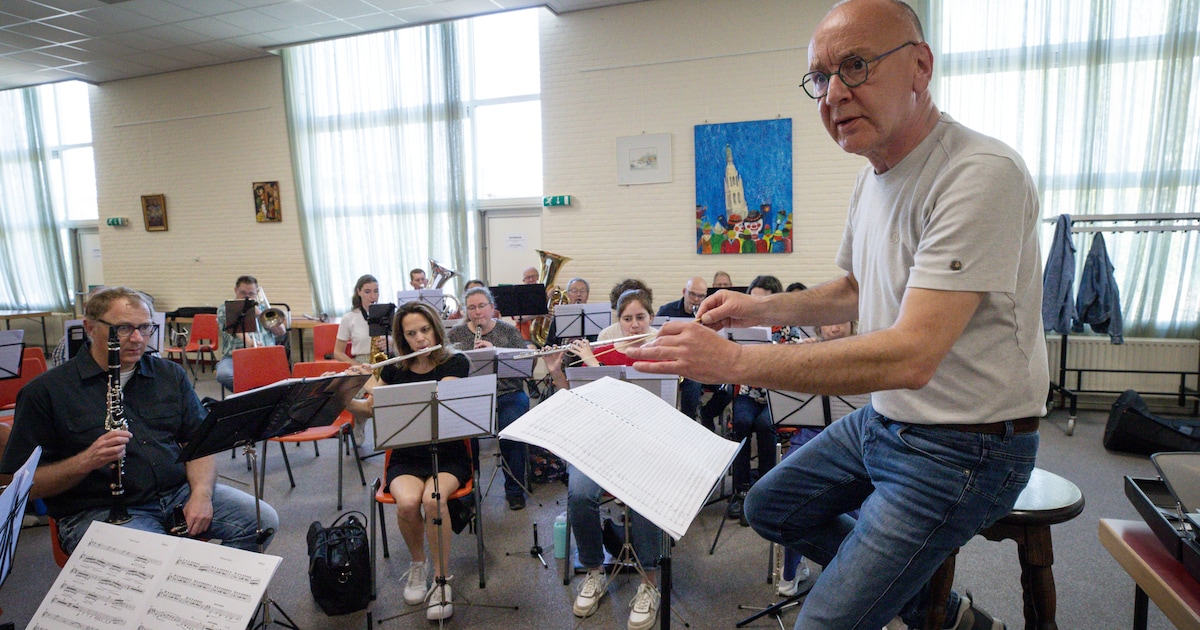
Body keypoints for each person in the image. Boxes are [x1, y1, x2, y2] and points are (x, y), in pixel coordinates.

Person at [626, 1, 1046, 628]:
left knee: (818, 623)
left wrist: (737, 359)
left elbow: (911, 355)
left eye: (855, 66)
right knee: (770, 510)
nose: (833, 94)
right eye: (821, 78)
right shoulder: (872, 175)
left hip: (968, 446)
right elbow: (855, 287)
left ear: (920, 67)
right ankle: (936, 608)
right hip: (887, 422)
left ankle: (895, 595)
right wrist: (761, 304)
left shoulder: (978, 173)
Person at [0, 287, 277, 554]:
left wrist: (202, 494)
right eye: (123, 328)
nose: (137, 339)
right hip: (97, 510)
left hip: (177, 493)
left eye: (145, 327)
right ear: (89, 327)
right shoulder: (46, 392)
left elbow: (198, 442)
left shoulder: (170, 375)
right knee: (155, 559)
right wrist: (86, 461)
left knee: (261, 520)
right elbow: (19, 482)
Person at [544, 288, 662, 630]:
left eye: (640, 317)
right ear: (618, 320)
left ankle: (649, 582)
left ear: (650, 318)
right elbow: (577, 402)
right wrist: (557, 373)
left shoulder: (657, 351)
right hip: (599, 442)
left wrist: (596, 366)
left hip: (642, 444)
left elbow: (646, 405)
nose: (634, 324)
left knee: (642, 496)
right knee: (579, 493)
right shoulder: (603, 350)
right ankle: (594, 571)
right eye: (627, 318)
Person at [344, 302, 468, 621]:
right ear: (403, 338)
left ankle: (441, 580)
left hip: (448, 453)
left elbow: (437, 397)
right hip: (407, 454)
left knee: (433, 500)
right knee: (408, 502)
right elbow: (372, 408)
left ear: (435, 330)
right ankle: (418, 566)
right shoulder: (394, 368)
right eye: (411, 334)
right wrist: (344, 392)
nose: (420, 339)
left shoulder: (456, 361)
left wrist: (371, 383)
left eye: (425, 330)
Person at [446, 287, 534, 510]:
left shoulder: (508, 331)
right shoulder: (455, 334)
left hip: (508, 392)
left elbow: (526, 362)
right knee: (465, 436)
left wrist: (495, 351)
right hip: (472, 395)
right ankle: (469, 488)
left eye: (482, 306)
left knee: (511, 430)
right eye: (472, 308)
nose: (477, 312)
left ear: (492, 307)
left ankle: (514, 489)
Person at [726, 275, 784, 525]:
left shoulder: (786, 326)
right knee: (741, 422)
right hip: (749, 392)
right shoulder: (741, 327)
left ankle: (766, 490)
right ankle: (741, 490)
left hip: (775, 393)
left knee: (765, 426)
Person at [332, 274, 388, 457]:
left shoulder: (387, 314)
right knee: (356, 396)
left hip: (384, 359)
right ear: (358, 292)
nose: (373, 296)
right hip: (361, 361)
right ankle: (358, 427)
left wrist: (390, 343)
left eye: (376, 291)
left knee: (387, 396)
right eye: (368, 291)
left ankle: (390, 437)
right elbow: (338, 352)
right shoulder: (350, 317)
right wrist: (357, 365)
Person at [215, 275, 286, 391]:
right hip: (234, 357)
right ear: (235, 291)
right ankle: (253, 396)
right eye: (243, 293)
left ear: (256, 293)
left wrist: (260, 315)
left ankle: (255, 396)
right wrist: (249, 342)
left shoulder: (263, 309)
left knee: (281, 380)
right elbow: (237, 329)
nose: (247, 297)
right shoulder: (225, 308)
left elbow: (281, 332)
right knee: (223, 374)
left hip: (266, 356)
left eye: (251, 294)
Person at [657, 277, 709, 421]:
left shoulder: (709, 314)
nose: (696, 299)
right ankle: (687, 420)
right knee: (693, 382)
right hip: (676, 361)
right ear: (684, 292)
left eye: (701, 296)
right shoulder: (667, 311)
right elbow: (658, 339)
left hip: (702, 362)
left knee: (726, 388)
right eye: (692, 294)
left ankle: (707, 414)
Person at [513, 266, 541, 342]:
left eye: (533, 276)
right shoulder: (517, 296)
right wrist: (540, 313)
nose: (531, 279)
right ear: (523, 280)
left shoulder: (544, 295)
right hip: (523, 338)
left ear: (538, 277)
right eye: (528, 277)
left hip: (543, 338)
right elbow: (518, 319)